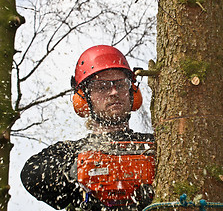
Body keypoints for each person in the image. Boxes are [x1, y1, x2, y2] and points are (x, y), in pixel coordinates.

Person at [21, 45, 155, 211]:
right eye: (102, 86)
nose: (113, 92)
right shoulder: (71, 151)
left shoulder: (154, 145)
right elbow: (31, 174)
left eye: (120, 84)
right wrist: (76, 169)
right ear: (84, 98)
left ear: (132, 91)